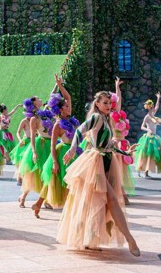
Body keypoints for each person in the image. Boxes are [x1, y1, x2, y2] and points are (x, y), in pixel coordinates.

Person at [56, 90, 140, 255]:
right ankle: (130, 239)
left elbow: (109, 145)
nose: (108, 106)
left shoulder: (107, 120)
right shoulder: (96, 117)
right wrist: (73, 148)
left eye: (110, 103)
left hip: (107, 161)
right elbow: (80, 130)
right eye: (105, 103)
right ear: (97, 104)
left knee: (97, 204)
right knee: (112, 200)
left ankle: (90, 239)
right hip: (96, 163)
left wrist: (126, 153)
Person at [36, 75, 79, 217]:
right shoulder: (57, 125)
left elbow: (68, 97)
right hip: (62, 153)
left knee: (72, 180)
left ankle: (39, 204)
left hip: (75, 151)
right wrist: (54, 162)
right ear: (61, 110)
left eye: (67, 106)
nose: (68, 106)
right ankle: (40, 204)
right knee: (56, 180)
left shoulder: (71, 119)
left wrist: (59, 85)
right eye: (66, 106)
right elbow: (52, 146)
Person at [135, 93, 161, 177]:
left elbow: (157, 106)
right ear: (149, 108)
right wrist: (147, 129)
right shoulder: (147, 117)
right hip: (148, 136)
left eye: (153, 106)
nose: (154, 107)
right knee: (147, 154)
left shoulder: (153, 115)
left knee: (153, 154)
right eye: (152, 106)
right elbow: (142, 126)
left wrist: (158, 98)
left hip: (154, 136)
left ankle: (147, 171)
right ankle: (144, 171)